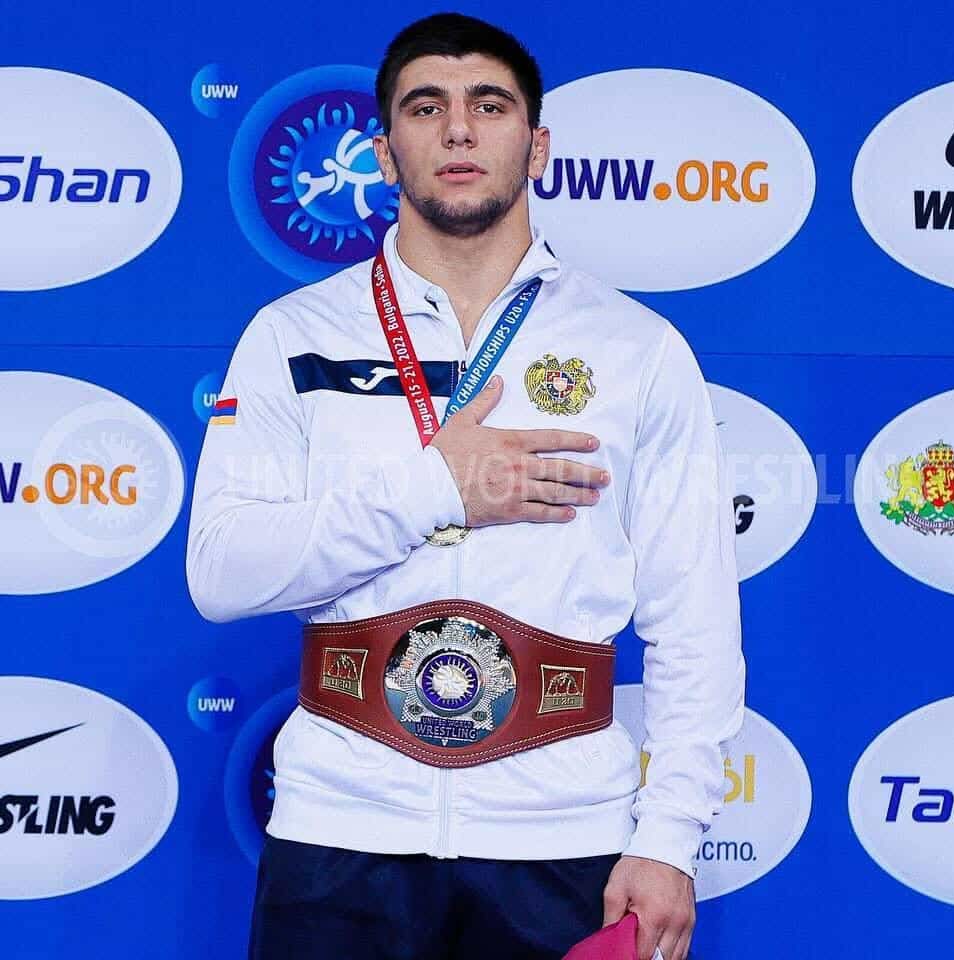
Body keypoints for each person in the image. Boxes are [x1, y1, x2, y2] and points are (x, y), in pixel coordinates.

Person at [186, 12, 744, 960]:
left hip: (564, 838)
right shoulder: (292, 335)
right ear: (382, 151)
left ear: (537, 145)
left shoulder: (636, 349)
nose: (457, 129)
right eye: (425, 107)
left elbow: (694, 616)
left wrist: (670, 838)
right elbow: (221, 573)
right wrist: (435, 487)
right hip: (339, 837)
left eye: (488, 106)